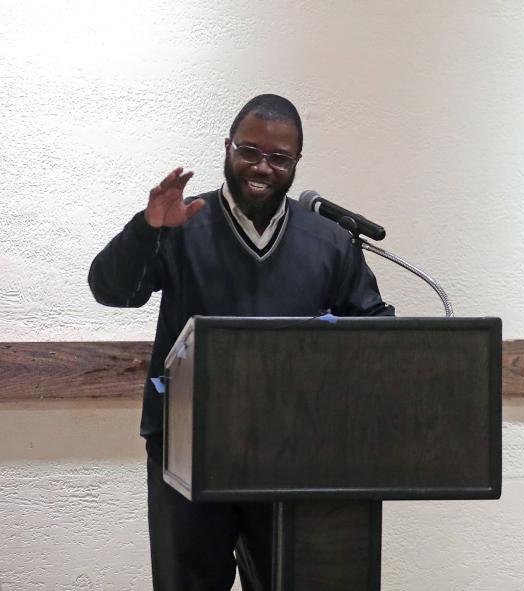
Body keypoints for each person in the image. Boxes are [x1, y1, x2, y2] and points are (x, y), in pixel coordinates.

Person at [88, 94, 394, 590]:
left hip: (293, 458)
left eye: (279, 158)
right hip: (187, 455)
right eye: (249, 151)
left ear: (296, 163)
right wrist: (146, 231)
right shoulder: (183, 222)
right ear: (227, 148)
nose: (262, 167)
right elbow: (111, 290)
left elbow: (373, 333)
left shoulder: (329, 241)